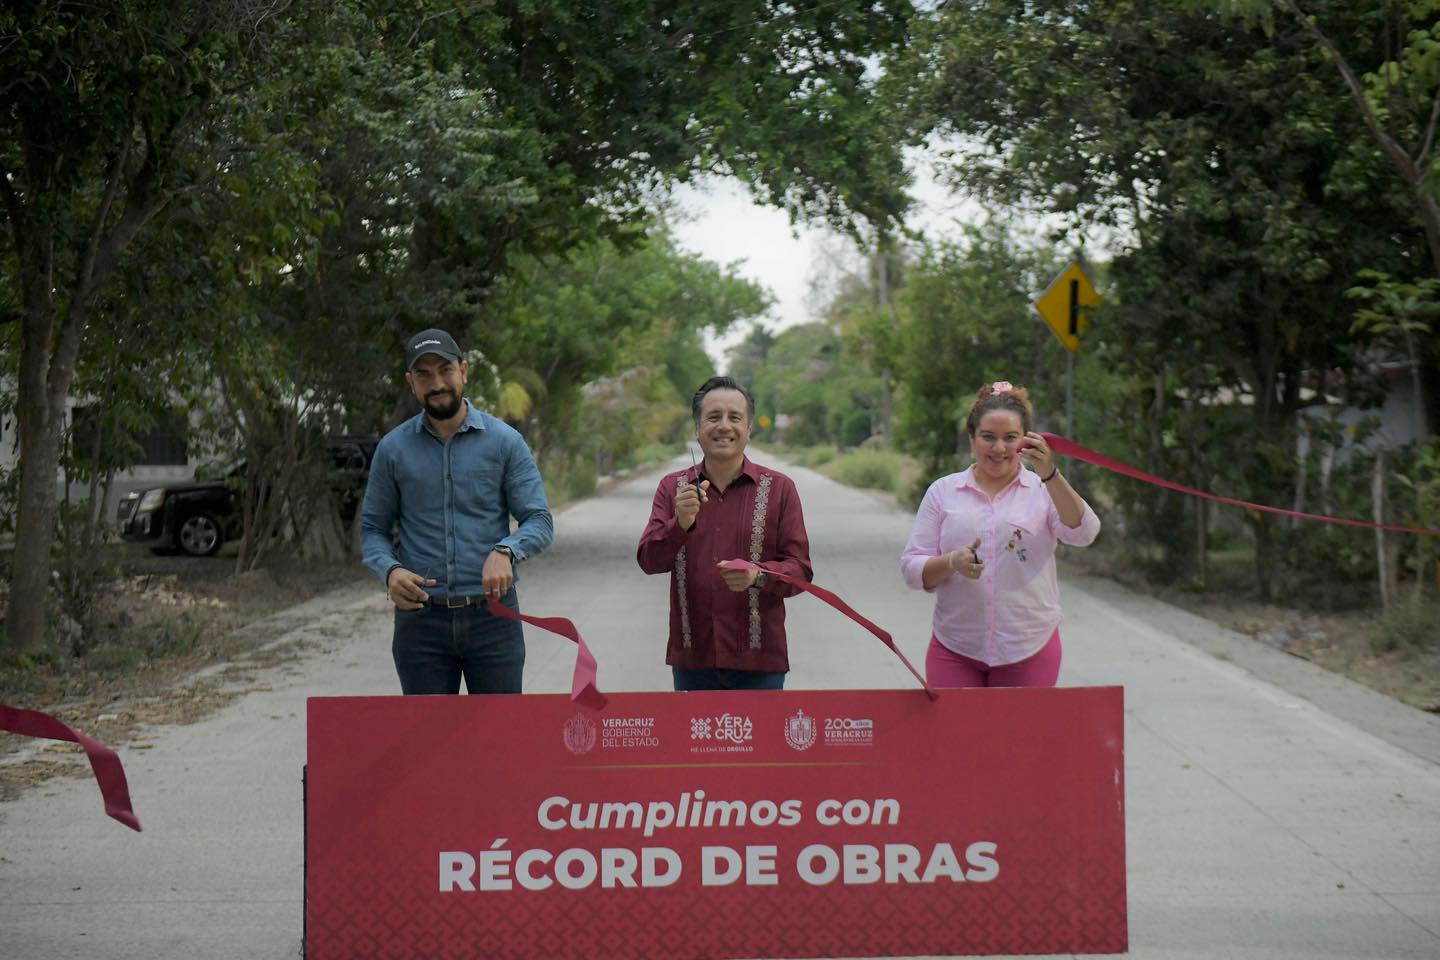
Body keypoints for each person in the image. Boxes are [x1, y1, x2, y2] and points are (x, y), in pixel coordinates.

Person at [361, 328, 554, 695]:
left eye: (445, 370)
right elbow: (373, 528)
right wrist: (390, 570)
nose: (437, 383)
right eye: (424, 374)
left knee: (498, 742)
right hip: (421, 625)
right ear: (411, 383)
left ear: (464, 371)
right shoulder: (392, 449)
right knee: (430, 749)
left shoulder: (505, 442)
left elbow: (540, 521)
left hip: (494, 619)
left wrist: (506, 550)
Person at [900, 381, 1100, 688]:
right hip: (955, 648)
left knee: (1019, 738)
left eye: (1010, 438)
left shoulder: (1043, 490)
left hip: (1030, 647)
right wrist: (952, 561)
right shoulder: (943, 492)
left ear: (1026, 441)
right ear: (971, 439)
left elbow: (1083, 532)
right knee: (958, 737)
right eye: (988, 437)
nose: (999, 448)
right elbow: (913, 570)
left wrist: (1049, 473)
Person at [637, 376, 813, 691]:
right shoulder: (673, 488)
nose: (724, 426)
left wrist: (758, 575)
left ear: (749, 430)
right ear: (697, 428)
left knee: (764, 742)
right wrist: (681, 523)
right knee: (693, 743)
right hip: (693, 660)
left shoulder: (780, 489)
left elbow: (801, 570)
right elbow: (649, 561)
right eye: (713, 417)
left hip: (760, 663)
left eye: (735, 418)